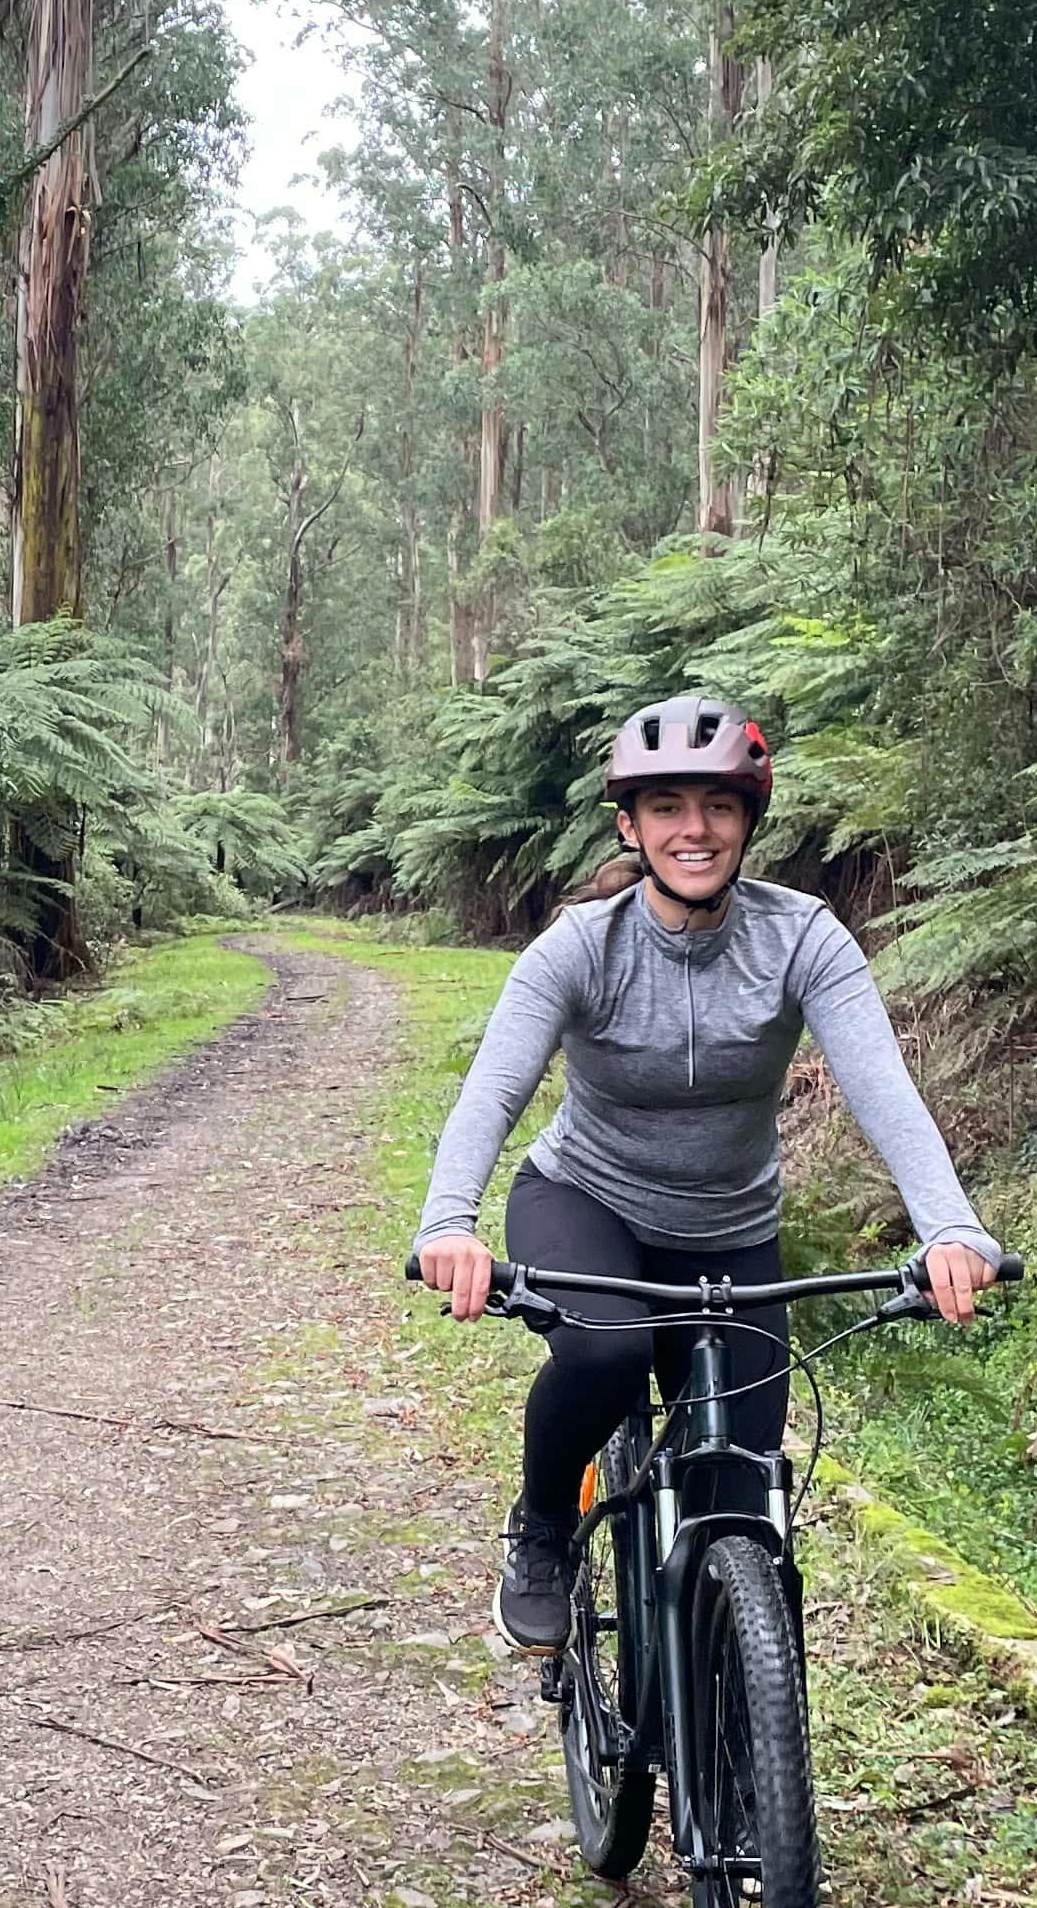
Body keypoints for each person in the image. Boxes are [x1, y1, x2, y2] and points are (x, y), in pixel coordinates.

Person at [413, 693, 999, 1654]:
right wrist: (448, 1220)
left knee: (743, 1496)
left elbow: (884, 1090)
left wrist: (950, 1225)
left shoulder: (802, 938)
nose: (696, 829)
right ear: (631, 825)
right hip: (587, 1202)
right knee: (606, 1355)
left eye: (719, 806)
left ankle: (731, 1721)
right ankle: (546, 1529)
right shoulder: (580, 947)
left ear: (748, 821)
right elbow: (493, 1090)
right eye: (669, 806)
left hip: (731, 1234)